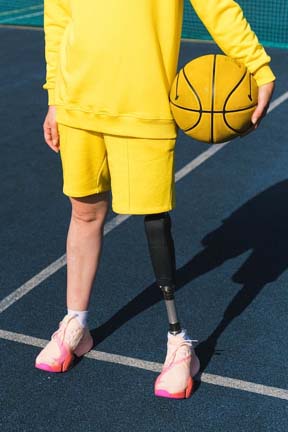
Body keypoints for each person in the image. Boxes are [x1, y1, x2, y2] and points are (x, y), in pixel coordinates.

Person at [35, 0, 275, 399]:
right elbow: (59, 17)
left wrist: (257, 64)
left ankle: (179, 343)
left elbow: (216, 5)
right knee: (84, 212)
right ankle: (75, 324)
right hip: (78, 105)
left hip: (144, 108)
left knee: (154, 220)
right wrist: (55, 98)